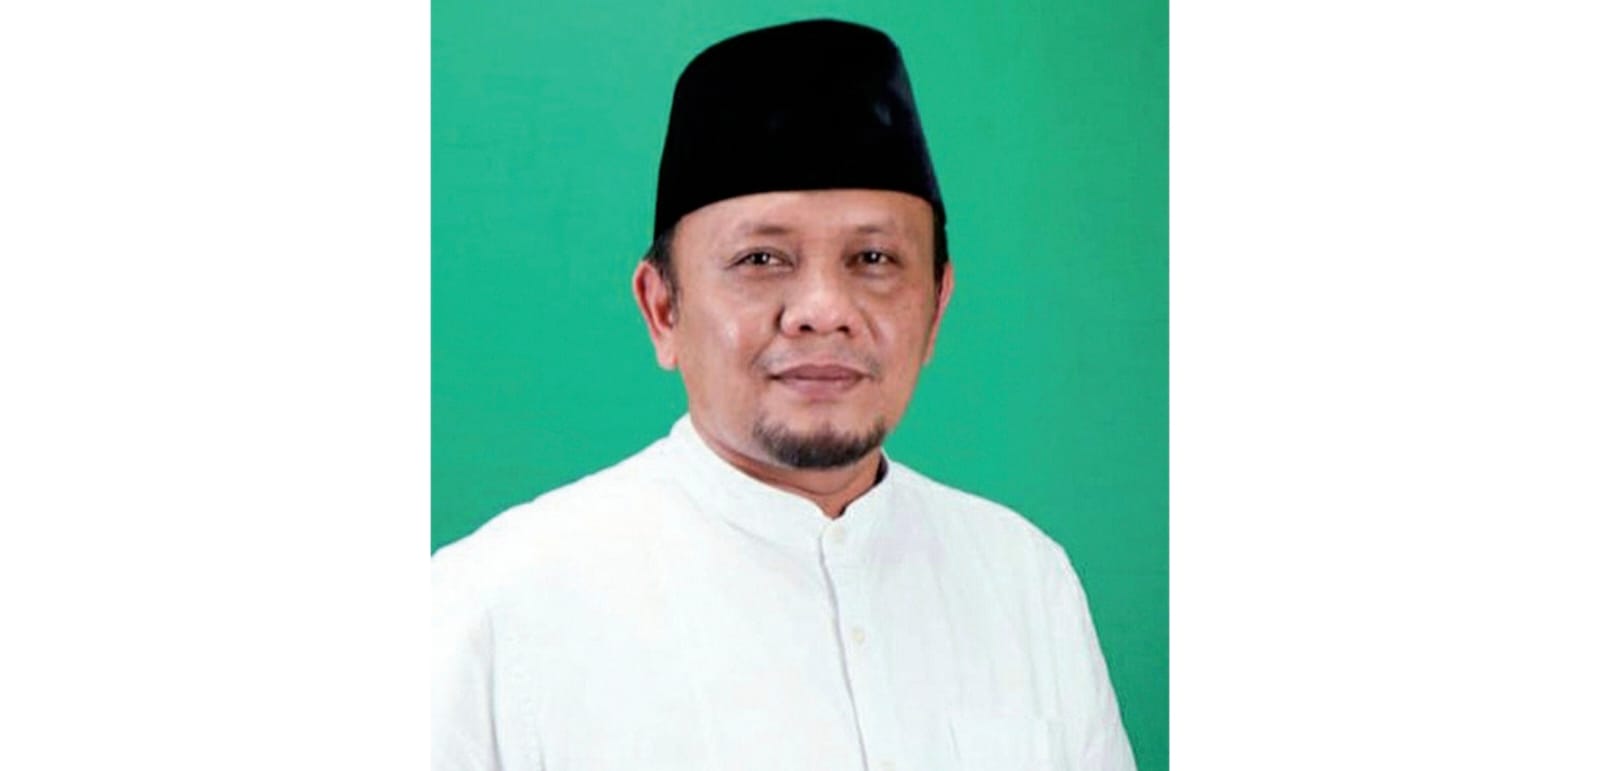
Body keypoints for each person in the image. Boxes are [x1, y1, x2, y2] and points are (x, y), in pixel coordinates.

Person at [433, 18, 1137, 771]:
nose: (824, 310)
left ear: (936, 307)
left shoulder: (1024, 582)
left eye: (874, 257)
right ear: (663, 308)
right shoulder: (489, 612)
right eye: (762, 258)